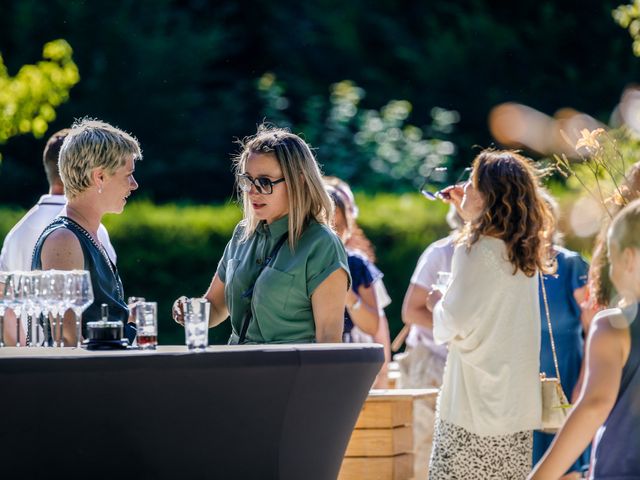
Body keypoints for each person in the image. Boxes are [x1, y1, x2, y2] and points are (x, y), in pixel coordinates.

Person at [426, 149, 554, 479]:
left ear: (490, 197)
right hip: (514, 409)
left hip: (473, 409)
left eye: (471, 183)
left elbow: (453, 321)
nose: (463, 189)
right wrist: (470, 213)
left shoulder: (474, 251)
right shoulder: (522, 253)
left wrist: (437, 301)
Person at [173, 125, 350, 344]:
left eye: (265, 182)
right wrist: (190, 311)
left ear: (300, 181)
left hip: (292, 375)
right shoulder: (242, 234)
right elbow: (216, 306)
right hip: (236, 372)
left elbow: (329, 338)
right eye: (247, 180)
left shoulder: (322, 244)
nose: (252, 191)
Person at [529, 198, 640, 479]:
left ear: (627, 258)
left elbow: (594, 405)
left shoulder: (614, 326)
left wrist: (540, 476)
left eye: (609, 260)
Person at [0, 129, 117, 345]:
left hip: (32, 362)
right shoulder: (90, 230)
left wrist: (21, 360)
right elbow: (104, 306)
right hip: (73, 358)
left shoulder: (14, 234)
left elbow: (7, 313)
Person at [32, 118, 141, 345]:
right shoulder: (64, 239)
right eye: (127, 174)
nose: (134, 184)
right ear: (99, 177)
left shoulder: (87, 233)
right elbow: (67, 342)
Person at [398, 205, 462, 479]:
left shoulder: (495, 254)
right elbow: (411, 311)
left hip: (465, 365)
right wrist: (457, 330)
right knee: (424, 452)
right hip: (430, 364)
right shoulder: (441, 252)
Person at [533, 190, 591, 475]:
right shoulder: (510, 266)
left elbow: (594, 325)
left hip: (566, 374)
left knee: (566, 464)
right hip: (523, 379)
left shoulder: (570, 265)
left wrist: (585, 381)